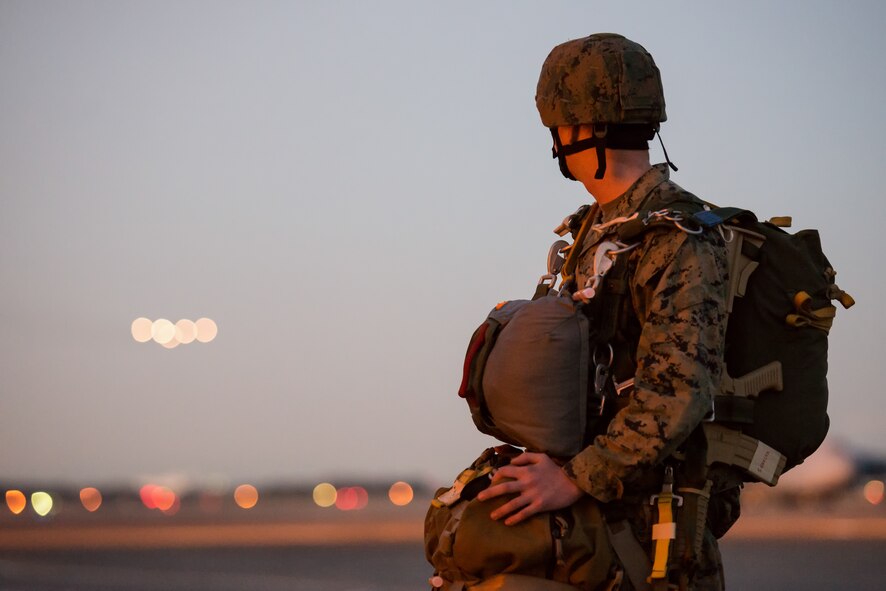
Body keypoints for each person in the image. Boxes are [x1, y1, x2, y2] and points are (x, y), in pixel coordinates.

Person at [474, 33, 740, 590]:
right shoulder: (594, 230)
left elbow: (679, 390)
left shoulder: (680, 236)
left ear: (580, 131)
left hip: (653, 539)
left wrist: (575, 479)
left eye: (558, 128)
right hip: (600, 527)